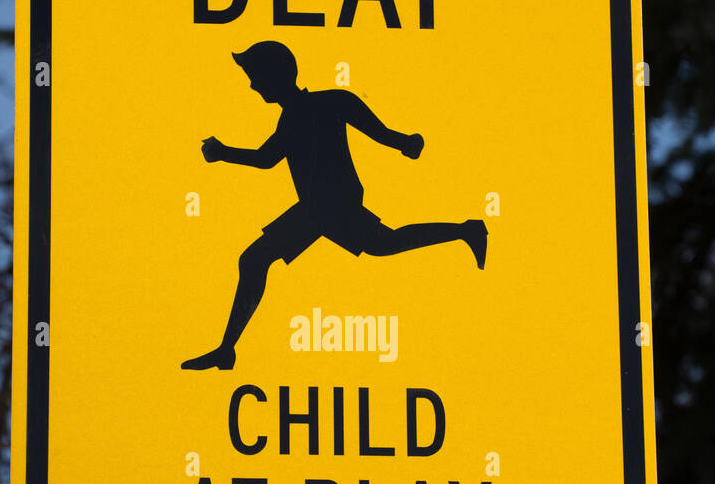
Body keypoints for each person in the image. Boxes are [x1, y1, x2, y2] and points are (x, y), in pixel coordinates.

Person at [182, 40, 487, 370]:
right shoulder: (294, 115)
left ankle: (466, 230)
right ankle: (227, 350)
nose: (253, 85)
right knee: (378, 244)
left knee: (263, 259)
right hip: (318, 208)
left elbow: (376, 131)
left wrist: (405, 143)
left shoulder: (328, 102)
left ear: (273, 76)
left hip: (333, 205)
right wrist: (225, 154)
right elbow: (267, 158)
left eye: (255, 76)